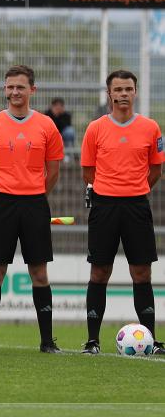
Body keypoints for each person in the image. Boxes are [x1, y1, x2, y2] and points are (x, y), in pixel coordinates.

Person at [0, 64, 64, 354]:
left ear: (32, 90)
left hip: (35, 204)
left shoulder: (47, 126)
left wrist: (35, 195)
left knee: (39, 273)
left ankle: (47, 342)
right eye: (10, 86)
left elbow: (53, 170)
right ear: (5, 89)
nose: (14, 92)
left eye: (20, 87)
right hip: (2, 203)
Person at [80, 70, 164, 355]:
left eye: (129, 89)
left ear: (135, 92)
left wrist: (135, 187)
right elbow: (87, 171)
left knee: (141, 272)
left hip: (137, 205)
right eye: (118, 89)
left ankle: (150, 341)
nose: (124, 94)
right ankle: (92, 341)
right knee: (100, 270)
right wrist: (109, 188)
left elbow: (155, 170)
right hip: (104, 206)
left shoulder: (151, 128)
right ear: (110, 94)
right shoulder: (95, 129)